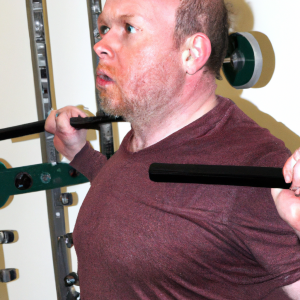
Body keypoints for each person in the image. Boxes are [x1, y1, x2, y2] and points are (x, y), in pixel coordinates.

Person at [45, 0, 300, 299]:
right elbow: (150, 199)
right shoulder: (144, 141)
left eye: (129, 28)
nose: (101, 45)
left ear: (191, 54)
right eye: (104, 28)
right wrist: (81, 155)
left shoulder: (255, 169)